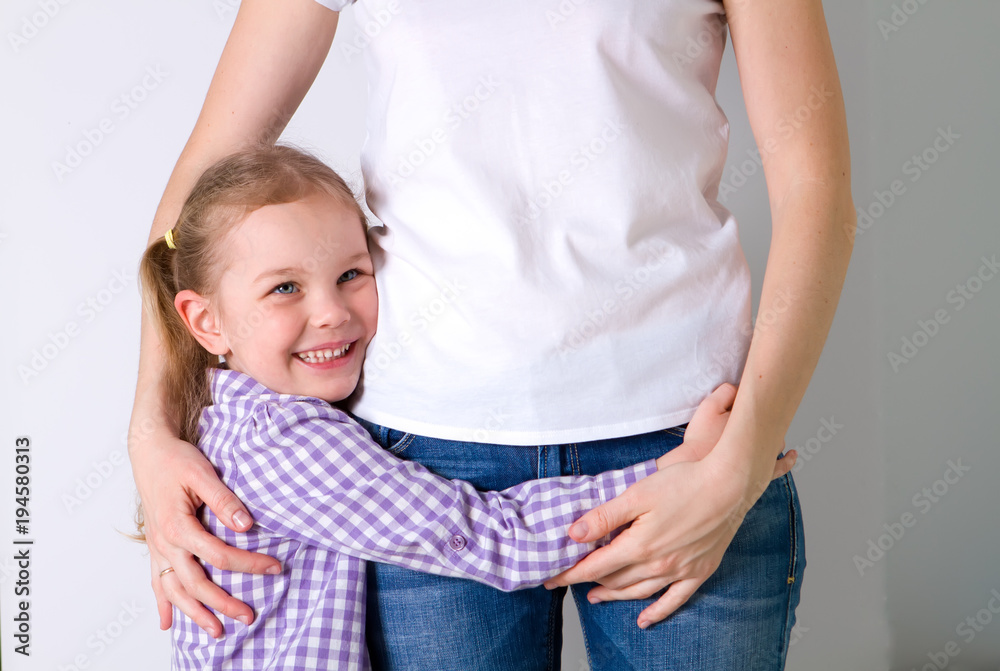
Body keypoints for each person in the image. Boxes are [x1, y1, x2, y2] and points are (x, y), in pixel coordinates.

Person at [128, 0, 853, 668]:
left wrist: (738, 465)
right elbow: (201, 187)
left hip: (688, 438)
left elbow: (815, 191)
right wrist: (150, 432)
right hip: (425, 453)